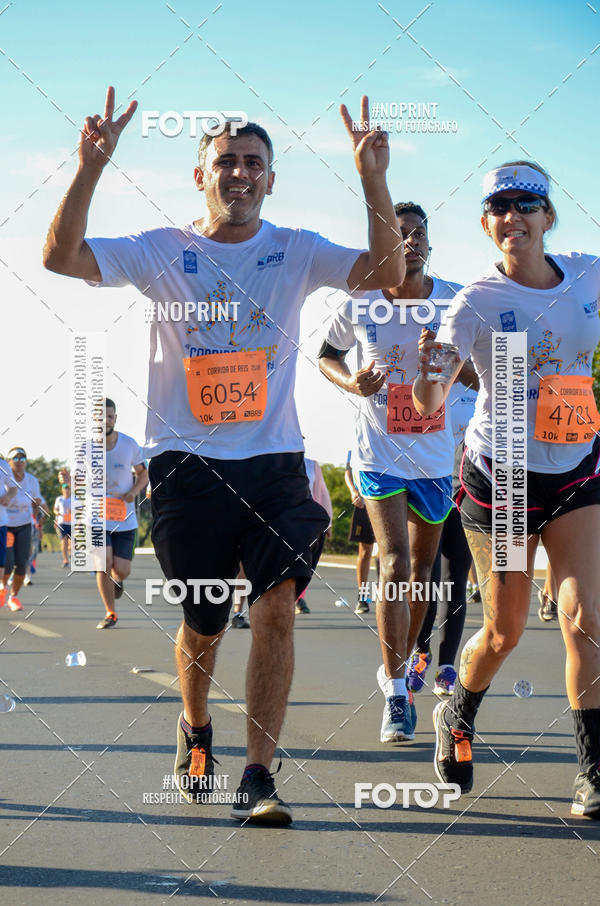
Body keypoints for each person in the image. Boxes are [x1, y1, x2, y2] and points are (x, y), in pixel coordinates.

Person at [43, 88, 404, 824]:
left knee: (276, 607)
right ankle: (196, 726)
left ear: (271, 179)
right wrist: (89, 168)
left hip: (274, 460)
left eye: (254, 163)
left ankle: (261, 775)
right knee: (204, 622)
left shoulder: (298, 249)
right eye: (226, 162)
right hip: (187, 464)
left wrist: (373, 180)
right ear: (201, 175)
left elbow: (386, 277)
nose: (240, 173)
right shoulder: (161, 249)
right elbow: (60, 257)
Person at [414, 160, 600, 818]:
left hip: (577, 467)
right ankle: (458, 713)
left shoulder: (588, 274)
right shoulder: (476, 303)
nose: (513, 215)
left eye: (527, 204)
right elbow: (430, 393)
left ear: (549, 217)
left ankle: (593, 774)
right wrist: (430, 373)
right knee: (506, 631)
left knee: (588, 621)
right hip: (508, 478)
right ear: (487, 224)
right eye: (499, 206)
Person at [319, 201, 468, 743]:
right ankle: (398, 691)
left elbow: (481, 374)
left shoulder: (454, 301)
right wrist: (350, 382)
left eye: (418, 234)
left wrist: (445, 361)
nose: (410, 242)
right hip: (378, 454)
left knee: (423, 573)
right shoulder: (360, 300)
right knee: (395, 564)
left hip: (434, 456)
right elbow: (325, 355)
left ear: (429, 243)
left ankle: (406, 663)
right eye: (398, 234)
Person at [407, 370, 478, 696]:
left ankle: (447, 667)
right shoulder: (427, 384)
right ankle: (421, 651)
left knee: (455, 581)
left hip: (465, 494)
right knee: (425, 578)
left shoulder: (481, 387)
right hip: (426, 492)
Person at [94, 398, 148, 629]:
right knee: (103, 562)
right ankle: (110, 613)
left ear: (115, 418)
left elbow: (143, 474)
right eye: (101, 417)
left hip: (125, 518)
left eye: (110, 416)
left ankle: (118, 581)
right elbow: (78, 482)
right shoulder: (86, 448)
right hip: (96, 517)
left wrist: (134, 491)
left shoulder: (129, 444)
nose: (106, 420)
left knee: (122, 570)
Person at [2, 448, 41, 611]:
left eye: (22, 458)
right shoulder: (3, 476)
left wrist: (36, 517)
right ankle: (2, 587)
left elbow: (36, 502)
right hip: (6, 525)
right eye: (15, 459)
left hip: (25, 524)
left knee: (21, 563)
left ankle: (14, 597)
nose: (19, 462)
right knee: (8, 563)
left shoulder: (32, 480)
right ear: (9, 462)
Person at [295, 457, 333, 614]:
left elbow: (322, 493)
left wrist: (328, 521)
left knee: (306, 563)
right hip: (287, 521)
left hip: (309, 522)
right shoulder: (278, 458)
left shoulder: (312, 464)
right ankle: (293, 597)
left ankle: (298, 597)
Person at [344, 451, 377, 614]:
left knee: (390, 551)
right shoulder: (355, 441)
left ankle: (388, 594)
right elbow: (348, 470)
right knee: (365, 552)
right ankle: (363, 597)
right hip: (364, 501)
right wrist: (353, 491)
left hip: (388, 498)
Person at [0, 457, 17, 607]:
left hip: (1, 521)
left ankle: (1, 590)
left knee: (0, 562)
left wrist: (7, 496)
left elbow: (13, 487)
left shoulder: (3, 465)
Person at [54, 478, 72, 567]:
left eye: (68, 488)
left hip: (72, 523)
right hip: (62, 523)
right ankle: (66, 560)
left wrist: (73, 511)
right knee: (63, 542)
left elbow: (81, 510)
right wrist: (57, 513)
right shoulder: (59, 499)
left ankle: (70, 553)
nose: (66, 490)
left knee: (72, 543)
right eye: (65, 488)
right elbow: (55, 509)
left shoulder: (74, 499)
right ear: (62, 490)